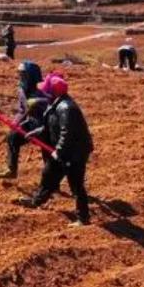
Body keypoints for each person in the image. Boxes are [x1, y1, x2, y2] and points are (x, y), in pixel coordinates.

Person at [16, 75, 94, 227]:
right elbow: (48, 126)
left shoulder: (67, 108)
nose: (44, 92)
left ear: (54, 92)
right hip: (64, 149)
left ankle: (83, 218)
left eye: (47, 90)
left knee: (76, 185)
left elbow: (67, 132)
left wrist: (58, 151)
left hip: (75, 152)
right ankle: (36, 201)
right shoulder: (54, 104)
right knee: (48, 175)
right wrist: (35, 133)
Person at [0, 61, 47, 179]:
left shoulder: (42, 94)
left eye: (24, 75)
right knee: (12, 137)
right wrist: (15, 123)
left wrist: (39, 102)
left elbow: (51, 111)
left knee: (48, 153)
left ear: (32, 77)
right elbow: (21, 110)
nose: (21, 78)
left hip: (44, 127)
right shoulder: (21, 91)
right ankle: (11, 169)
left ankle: (52, 183)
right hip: (30, 124)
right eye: (20, 74)